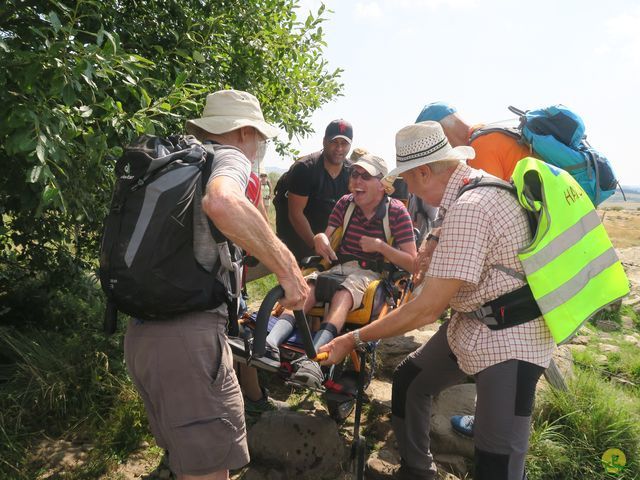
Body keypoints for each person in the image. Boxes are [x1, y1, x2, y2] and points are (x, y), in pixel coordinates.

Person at [319, 121, 555, 480]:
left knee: (498, 463)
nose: (405, 189)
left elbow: (427, 308)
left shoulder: (471, 206)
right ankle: (418, 471)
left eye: (407, 180)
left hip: (511, 339)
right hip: (474, 322)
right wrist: (432, 239)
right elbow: (460, 229)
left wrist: (353, 338)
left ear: (425, 172)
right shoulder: (470, 187)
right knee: (410, 381)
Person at [124, 89, 309, 480]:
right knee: (208, 471)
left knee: (186, 462)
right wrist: (288, 269)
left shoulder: (174, 161)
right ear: (243, 132)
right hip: (189, 341)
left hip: (144, 335)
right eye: (258, 135)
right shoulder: (227, 158)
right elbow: (222, 203)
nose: (260, 144)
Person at [414, 101, 538, 437]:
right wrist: (435, 238)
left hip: (512, 306)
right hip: (524, 270)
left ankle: (486, 420)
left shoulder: (481, 150)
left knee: (500, 452)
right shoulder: (494, 136)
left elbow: (477, 214)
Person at [259, 153, 416, 387]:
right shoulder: (345, 203)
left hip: (371, 274)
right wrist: (320, 238)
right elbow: (327, 235)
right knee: (307, 287)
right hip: (338, 265)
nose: (356, 181)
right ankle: (269, 343)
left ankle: (315, 359)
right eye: (354, 174)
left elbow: (412, 263)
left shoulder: (396, 213)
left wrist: (381, 247)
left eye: (366, 176)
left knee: (344, 293)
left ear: (383, 185)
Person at [281, 119, 353, 260]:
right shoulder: (305, 168)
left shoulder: (352, 172)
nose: (339, 149)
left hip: (329, 238)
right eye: (334, 142)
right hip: (298, 234)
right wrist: (315, 246)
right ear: (324, 141)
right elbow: (295, 214)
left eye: (344, 144)